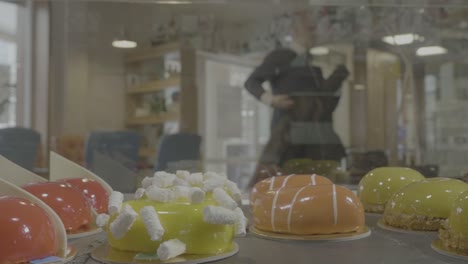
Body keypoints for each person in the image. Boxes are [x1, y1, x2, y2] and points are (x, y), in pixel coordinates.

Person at [245, 14, 349, 183]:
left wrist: (338, 77)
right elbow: (251, 82)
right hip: (288, 135)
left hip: (314, 137)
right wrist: (271, 100)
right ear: (294, 30)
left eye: (316, 27)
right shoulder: (281, 56)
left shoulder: (312, 64)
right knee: (284, 182)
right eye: (310, 28)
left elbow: (322, 103)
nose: (315, 32)